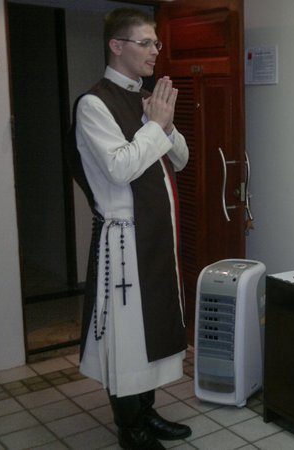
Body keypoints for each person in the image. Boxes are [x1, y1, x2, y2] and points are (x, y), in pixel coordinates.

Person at [65, 8, 191, 449]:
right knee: (128, 335)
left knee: (152, 329)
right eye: (146, 42)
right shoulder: (93, 104)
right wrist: (154, 126)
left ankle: (147, 411)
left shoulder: (147, 98)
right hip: (122, 240)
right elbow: (120, 168)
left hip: (154, 236)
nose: (156, 51)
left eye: (157, 43)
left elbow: (180, 159)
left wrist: (164, 124)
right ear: (117, 46)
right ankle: (129, 427)